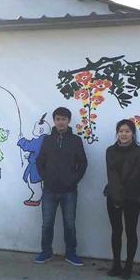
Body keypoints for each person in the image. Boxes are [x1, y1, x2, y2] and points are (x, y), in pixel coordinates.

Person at [34, 107, 88, 266]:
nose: (60, 122)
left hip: (69, 191)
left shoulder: (76, 140)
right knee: (47, 223)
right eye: (58, 119)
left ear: (68, 121)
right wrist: (46, 177)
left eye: (64, 119)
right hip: (49, 190)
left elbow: (83, 163)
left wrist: (73, 180)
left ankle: (71, 253)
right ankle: (46, 251)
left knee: (69, 223)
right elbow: (39, 161)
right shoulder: (47, 140)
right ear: (54, 120)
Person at [104, 119, 140, 279]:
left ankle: (128, 266)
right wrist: (116, 196)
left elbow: (137, 176)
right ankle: (116, 265)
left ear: (133, 134)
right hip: (113, 196)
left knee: (131, 231)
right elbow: (111, 174)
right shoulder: (110, 151)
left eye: (127, 131)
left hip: (131, 197)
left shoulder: (139, 152)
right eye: (121, 131)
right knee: (116, 231)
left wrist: (123, 194)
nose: (124, 134)